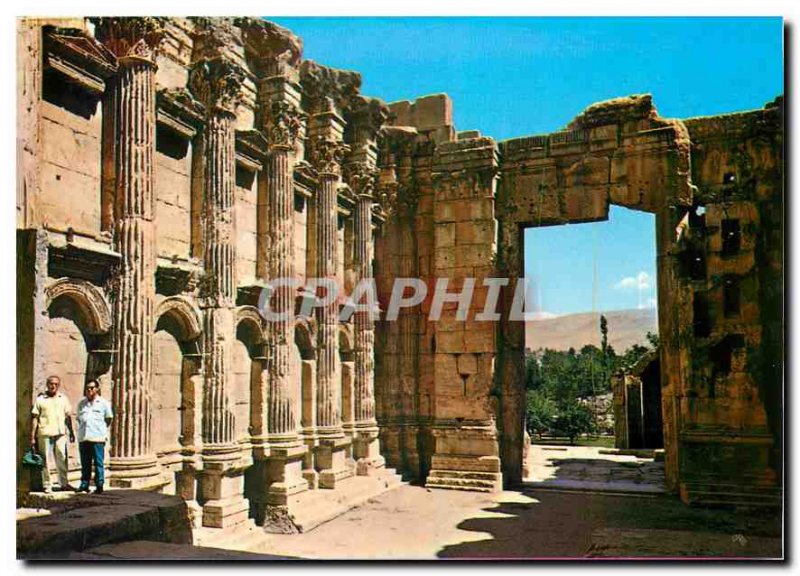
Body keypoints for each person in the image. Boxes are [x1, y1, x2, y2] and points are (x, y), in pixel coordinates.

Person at [30, 375, 75, 493]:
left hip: (60, 432)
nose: (53, 386)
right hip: (45, 432)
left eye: (55, 384)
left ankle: (64, 483)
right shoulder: (40, 400)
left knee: (62, 457)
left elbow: (68, 417)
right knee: (45, 459)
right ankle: (47, 484)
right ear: (47, 384)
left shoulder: (63, 398)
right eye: (51, 383)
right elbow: (35, 418)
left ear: (58, 385)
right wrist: (32, 436)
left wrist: (71, 432)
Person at [76, 380, 113, 494]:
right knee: (85, 463)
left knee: (98, 462)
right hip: (84, 437)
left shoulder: (103, 403)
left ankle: (99, 484)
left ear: (97, 389)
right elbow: (79, 418)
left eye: (92, 388)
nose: (89, 390)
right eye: (87, 388)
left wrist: (100, 429)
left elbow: (108, 418)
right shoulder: (81, 403)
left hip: (97, 437)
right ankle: (84, 484)